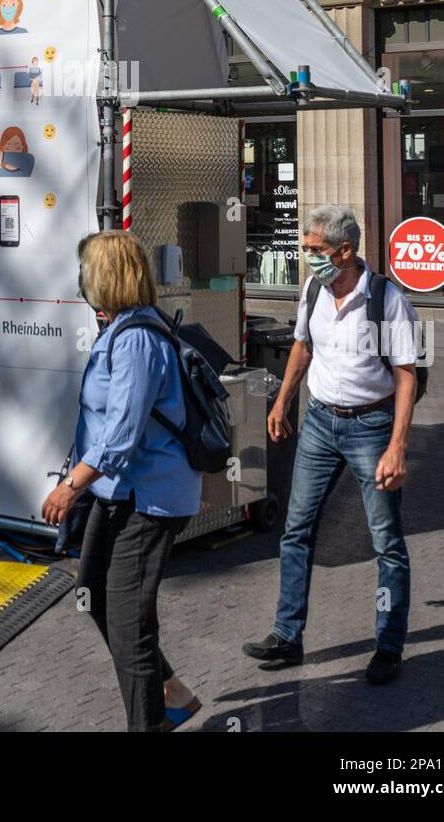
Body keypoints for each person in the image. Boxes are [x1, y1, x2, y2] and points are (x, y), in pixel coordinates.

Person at [243, 204, 418, 685]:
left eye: (315, 250)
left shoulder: (387, 299)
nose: (307, 258)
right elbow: (302, 347)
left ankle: (388, 645)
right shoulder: (314, 289)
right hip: (320, 423)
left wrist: (397, 446)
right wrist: (282, 402)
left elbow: (406, 376)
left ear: (346, 250)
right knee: (296, 530)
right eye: (304, 248)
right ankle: (287, 634)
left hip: (371, 427)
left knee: (386, 542)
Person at [42, 230, 202, 732]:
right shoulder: (123, 328)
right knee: (93, 590)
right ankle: (172, 690)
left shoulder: (136, 339)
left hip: (149, 498)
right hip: (119, 493)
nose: (81, 280)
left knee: (130, 624)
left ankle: (150, 723)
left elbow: (122, 435)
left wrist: (70, 486)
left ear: (104, 277)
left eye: (86, 270)